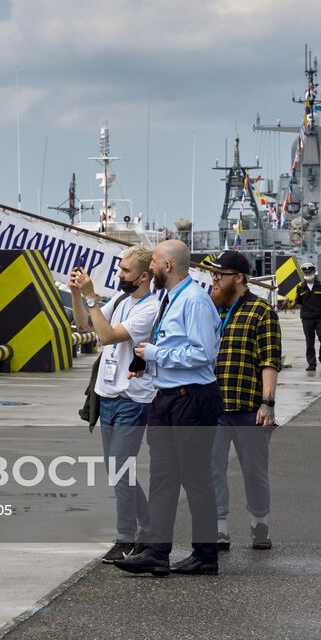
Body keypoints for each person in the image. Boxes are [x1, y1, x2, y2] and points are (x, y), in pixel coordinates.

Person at [114, 239, 222, 577]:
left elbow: (203, 354)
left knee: (195, 478)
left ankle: (206, 555)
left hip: (191, 398)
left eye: (156, 263)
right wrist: (147, 363)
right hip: (166, 397)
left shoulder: (194, 301)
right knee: (162, 476)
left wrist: (158, 355)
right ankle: (158, 552)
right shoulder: (169, 299)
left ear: (168, 267)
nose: (151, 269)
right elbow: (175, 346)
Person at [68, 246, 159, 563]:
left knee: (121, 468)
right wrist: (78, 296)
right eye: (119, 269)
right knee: (118, 469)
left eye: (125, 271)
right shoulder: (121, 300)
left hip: (132, 397)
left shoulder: (149, 308)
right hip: (107, 395)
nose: (119, 275)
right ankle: (149, 527)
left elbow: (106, 336)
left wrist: (92, 296)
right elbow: (86, 328)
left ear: (144, 276)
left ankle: (125, 538)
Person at [207, 251, 282, 552]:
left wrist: (268, 403)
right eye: (212, 274)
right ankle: (220, 529)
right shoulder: (212, 310)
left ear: (238, 277)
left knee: (254, 471)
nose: (213, 279)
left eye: (219, 274)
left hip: (248, 408)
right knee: (212, 469)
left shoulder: (261, 312)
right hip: (213, 407)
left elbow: (269, 360)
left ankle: (259, 522)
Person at [292, 262, 321, 371]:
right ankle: (312, 363)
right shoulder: (300, 287)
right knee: (310, 341)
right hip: (307, 318)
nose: (308, 273)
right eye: (306, 272)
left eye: (310, 272)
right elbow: (298, 303)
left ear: (314, 272)